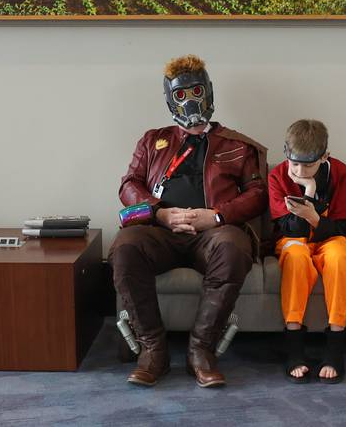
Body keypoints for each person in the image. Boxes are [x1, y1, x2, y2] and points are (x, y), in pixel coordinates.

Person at [109, 54, 268, 388]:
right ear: (170, 99)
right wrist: (159, 212)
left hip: (213, 234)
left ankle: (201, 351)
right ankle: (153, 351)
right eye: (181, 95)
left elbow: (257, 193)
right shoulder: (152, 140)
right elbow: (129, 185)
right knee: (124, 247)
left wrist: (218, 216)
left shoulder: (236, 145)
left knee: (233, 247)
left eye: (196, 90)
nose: (191, 100)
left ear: (208, 92)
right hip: (160, 232)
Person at [268, 119, 346, 384]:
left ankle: (334, 350)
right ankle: (294, 349)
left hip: (330, 237)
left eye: (308, 165)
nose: (300, 170)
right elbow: (288, 228)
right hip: (294, 239)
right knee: (295, 257)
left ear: (325, 156)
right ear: (286, 154)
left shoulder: (340, 172)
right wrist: (309, 197)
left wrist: (311, 197)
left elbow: (340, 226)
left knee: (340, 259)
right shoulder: (277, 176)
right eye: (294, 163)